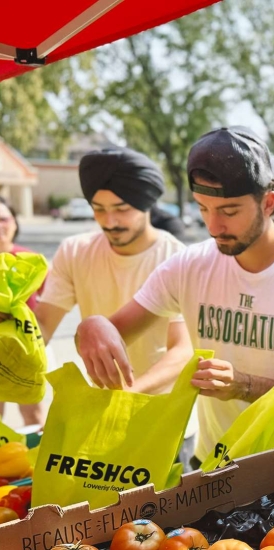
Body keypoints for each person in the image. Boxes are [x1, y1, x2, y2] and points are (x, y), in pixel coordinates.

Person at [74, 127, 274, 477]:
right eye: (204, 208)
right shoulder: (188, 265)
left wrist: (244, 385)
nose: (214, 226)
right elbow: (115, 329)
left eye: (230, 211)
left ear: (268, 203)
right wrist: (92, 326)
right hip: (212, 464)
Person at [34, 147, 196, 463]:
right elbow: (42, 327)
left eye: (121, 208)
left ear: (146, 203)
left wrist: (128, 398)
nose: (109, 221)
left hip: (164, 419)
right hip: (103, 419)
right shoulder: (75, 251)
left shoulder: (178, 258)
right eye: (98, 209)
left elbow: (183, 350)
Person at [0, 197, 46, 425]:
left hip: (27, 351)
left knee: (34, 415)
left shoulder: (30, 261)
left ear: (14, 223)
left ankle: (33, 457)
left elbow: (49, 309)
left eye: (3, 219)